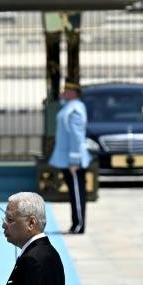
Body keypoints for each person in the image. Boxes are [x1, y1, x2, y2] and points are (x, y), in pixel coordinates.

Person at [48, 81, 91, 234]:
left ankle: (79, 224)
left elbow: (76, 137)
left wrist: (74, 160)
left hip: (73, 160)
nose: (63, 92)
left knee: (77, 193)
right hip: (66, 159)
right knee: (73, 193)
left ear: (73, 93)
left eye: (66, 90)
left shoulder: (75, 110)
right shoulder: (69, 107)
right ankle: (75, 224)